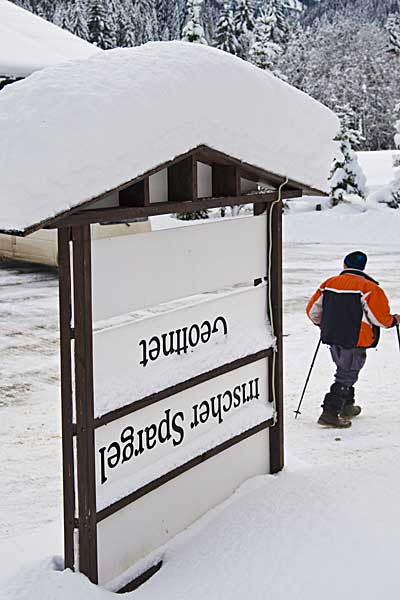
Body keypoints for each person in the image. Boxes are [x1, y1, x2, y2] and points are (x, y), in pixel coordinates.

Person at [306, 251, 400, 428]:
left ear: (344, 265)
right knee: (347, 372)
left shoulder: (329, 283)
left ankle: (347, 406)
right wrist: (393, 320)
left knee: (345, 368)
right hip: (355, 338)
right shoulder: (369, 288)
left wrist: (323, 325)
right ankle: (330, 412)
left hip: (332, 336)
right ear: (363, 267)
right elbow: (379, 318)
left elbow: (312, 311)